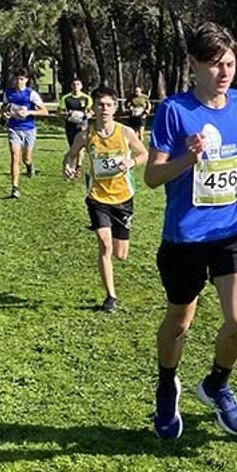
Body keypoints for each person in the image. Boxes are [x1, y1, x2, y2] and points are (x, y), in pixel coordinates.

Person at [145, 21, 237, 438]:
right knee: (180, 322)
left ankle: (217, 384)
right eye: (215, 65)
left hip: (232, 230)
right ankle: (167, 385)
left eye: (230, 64)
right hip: (184, 238)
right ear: (193, 66)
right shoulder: (174, 111)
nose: (224, 72)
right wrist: (187, 160)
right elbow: (151, 176)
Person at [64, 86, 149, 312]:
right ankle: (110, 296)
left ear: (115, 108)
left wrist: (131, 163)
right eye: (100, 105)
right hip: (97, 197)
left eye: (109, 105)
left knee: (120, 254)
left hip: (123, 197)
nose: (105, 109)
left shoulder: (125, 132)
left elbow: (144, 154)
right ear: (94, 107)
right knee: (104, 243)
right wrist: (68, 166)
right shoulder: (86, 134)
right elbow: (71, 154)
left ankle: (110, 269)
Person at [2, 69, 48, 199]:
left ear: (26, 80)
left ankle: (29, 165)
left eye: (21, 79)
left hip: (29, 129)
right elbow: (4, 107)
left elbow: (45, 111)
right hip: (13, 128)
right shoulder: (8, 93)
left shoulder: (31, 94)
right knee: (14, 157)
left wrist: (29, 113)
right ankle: (15, 187)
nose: (18, 81)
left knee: (26, 158)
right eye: (16, 79)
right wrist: (4, 114)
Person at [61, 78, 92, 152]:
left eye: (78, 84)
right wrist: (67, 114)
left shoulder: (86, 98)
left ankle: (79, 163)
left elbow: (92, 110)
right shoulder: (66, 98)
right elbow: (59, 112)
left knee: (81, 144)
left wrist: (89, 114)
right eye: (74, 84)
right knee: (72, 144)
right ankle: (73, 161)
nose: (76, 86)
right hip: (70, 123)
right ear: (71, 86)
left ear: (81, 86)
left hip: (82, 123)